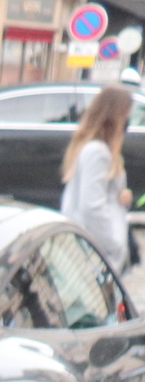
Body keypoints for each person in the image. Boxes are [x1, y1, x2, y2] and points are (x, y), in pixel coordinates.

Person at [61, 84, 135, 268]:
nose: (127, 122)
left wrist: (121, 196)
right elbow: (91, 206)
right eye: (126, 115)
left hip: (93, 249)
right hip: (97, 252)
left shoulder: (100, 149)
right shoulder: (97, 152)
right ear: (114, 117)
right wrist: (115, 245)